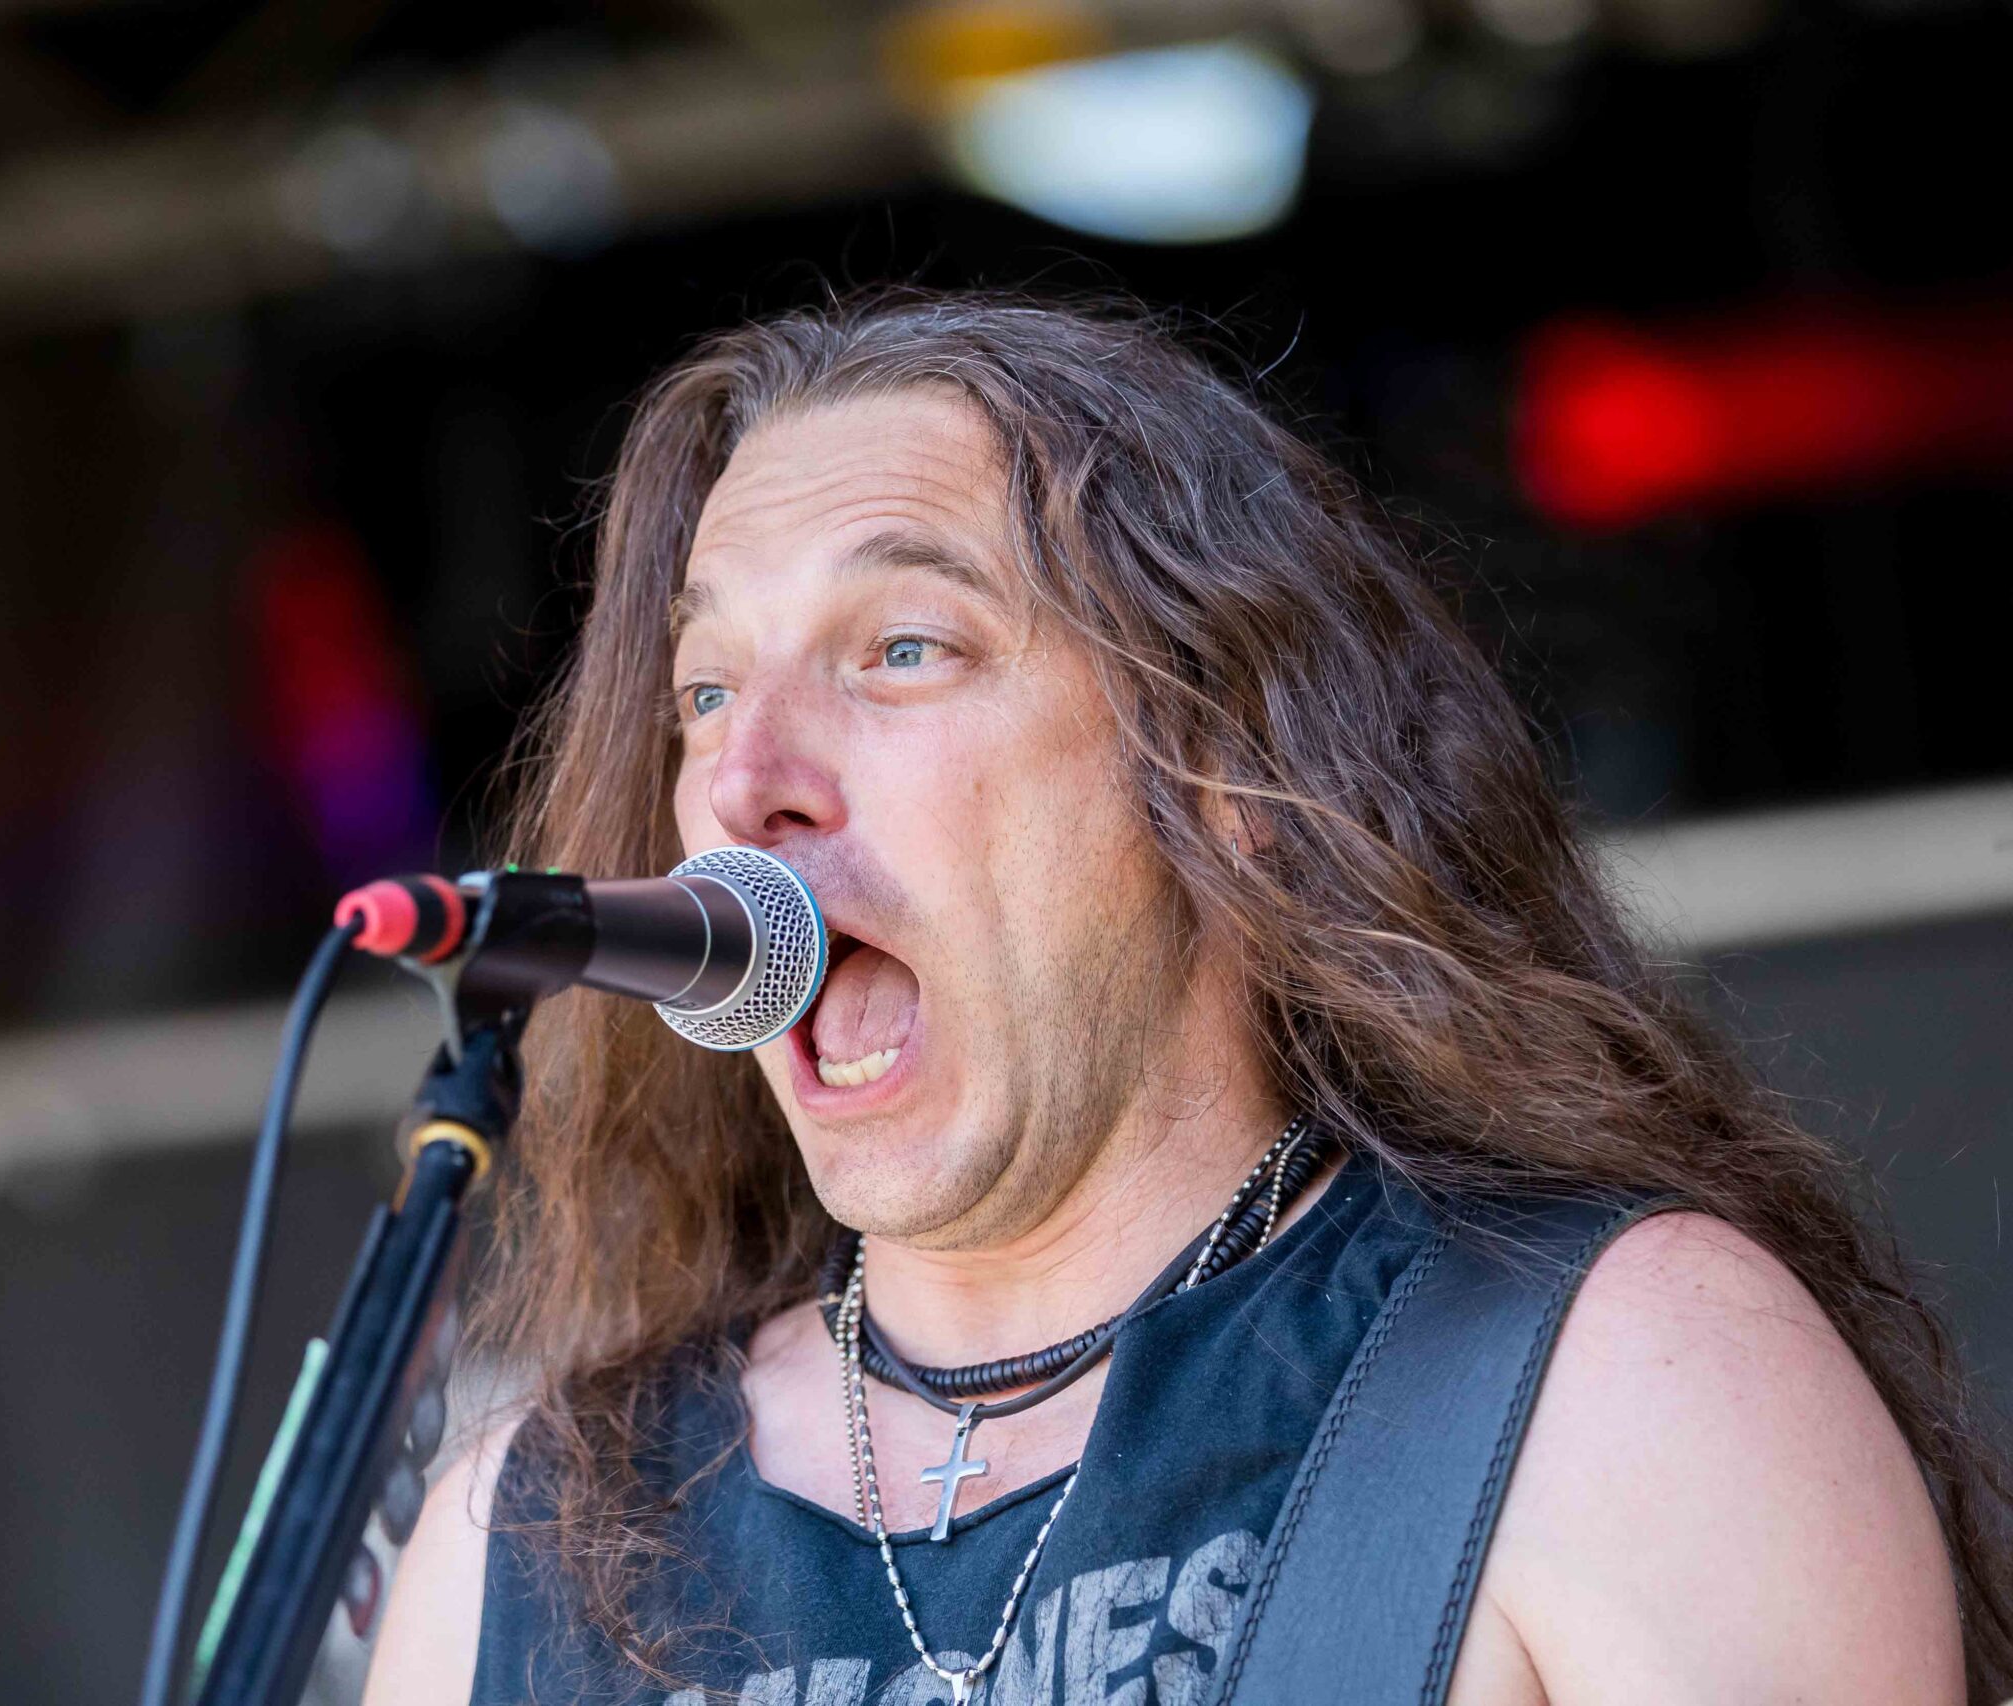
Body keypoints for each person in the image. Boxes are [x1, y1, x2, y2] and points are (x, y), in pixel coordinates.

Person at [363, 288, 2010, 1704]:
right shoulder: (529, 1541)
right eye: (707, 689)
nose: (745, 779)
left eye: (903, 649)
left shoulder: (1616, 1377)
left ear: (1224, 769)